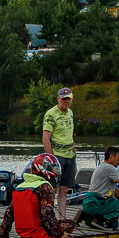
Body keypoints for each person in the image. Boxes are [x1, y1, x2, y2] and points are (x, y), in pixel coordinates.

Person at [0, 153, 76, 238]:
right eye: (53, 168)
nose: (56, 171)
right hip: (39, 235)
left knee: (69, 223)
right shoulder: (44, 187)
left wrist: (3, 235)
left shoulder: (20, 187)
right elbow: (47, 214)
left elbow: (9, 214)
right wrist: (61, 234)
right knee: (70, 227)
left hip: (23, 234)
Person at [79, 146, 119, 229]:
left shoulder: (102, 167)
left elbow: (116, 192)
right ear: (112, 156)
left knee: (114, 225)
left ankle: (89, 217)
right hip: (96, 204)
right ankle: (99, 220)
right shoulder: (109, 168)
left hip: (89, 204)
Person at [42, 87, 76, 218]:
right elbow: (45, 138)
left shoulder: (70, 113)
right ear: (58, 99)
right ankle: (48, 217)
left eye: (68, 99)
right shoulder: (51, 114)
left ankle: (62, 219)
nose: (66, 101)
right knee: (52, 189)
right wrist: (51, 159)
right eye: (63, 99)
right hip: (57, 156)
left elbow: (68, 132)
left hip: (70, 156)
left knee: (65, 189)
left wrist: (73, 145)